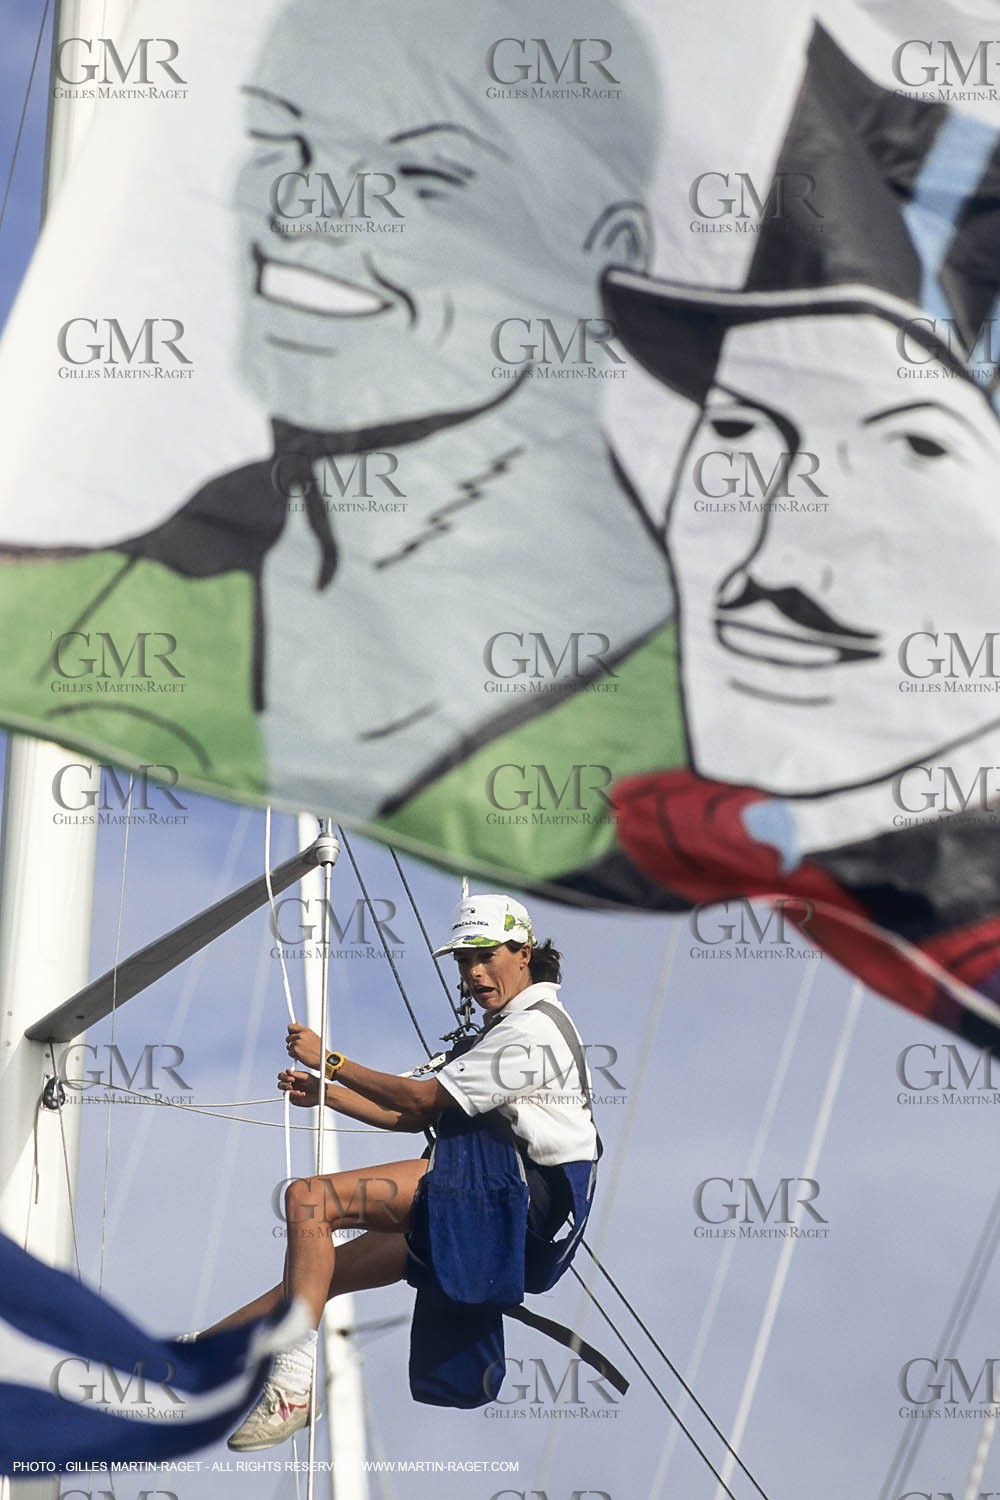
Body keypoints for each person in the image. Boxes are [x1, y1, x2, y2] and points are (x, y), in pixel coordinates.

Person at [197, 893, 598, 1451]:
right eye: (464, 960)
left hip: (512, 1199)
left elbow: (417, 1099)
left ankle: (292, 1388)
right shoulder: (505, 1029)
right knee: (322, 1272)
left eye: (486, 956)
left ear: (523, 952)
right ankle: (198, 1358)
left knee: (310, 1200)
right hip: (495, 1198)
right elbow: (408, 1115)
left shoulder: (533, 1032)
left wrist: (330, 1060)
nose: (473, 972)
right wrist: (328, 1093)